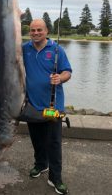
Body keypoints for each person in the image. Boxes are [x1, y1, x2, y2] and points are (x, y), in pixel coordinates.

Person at [22, 19, 72, 195]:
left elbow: (68, 71)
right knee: (37, 140)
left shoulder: (57, 50)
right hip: (32, 105)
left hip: (53, 106)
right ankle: (41, 164)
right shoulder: (24, 48)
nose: (35, 33)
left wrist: (61, 78)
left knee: (54, 143)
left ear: (47, 31)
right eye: (33, 30)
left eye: (39, 30)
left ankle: (55, 178)